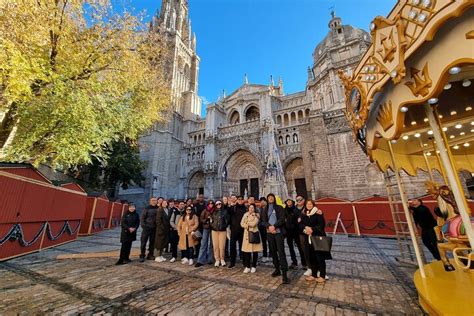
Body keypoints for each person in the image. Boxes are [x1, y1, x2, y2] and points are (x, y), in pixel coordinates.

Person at [299, 199, 331, 283]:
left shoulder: (318, 213)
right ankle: (313, 274)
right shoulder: (304, 214)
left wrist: (312, 229)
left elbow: (321, 225)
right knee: (312, 257)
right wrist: (305, 228)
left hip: (318, 238)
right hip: (309, 239)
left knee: (320, 258)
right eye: (307, 204)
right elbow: (300, 224)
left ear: (313, 204)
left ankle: (322, 276)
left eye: (310, 204)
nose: (309, 205)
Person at [261, 193, 289, 284]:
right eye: (268, 198)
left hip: (278, 232)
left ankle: (284, 274)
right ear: (267, 199)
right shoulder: (265, 209)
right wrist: (269, 227)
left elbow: (282, 219)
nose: (270, 199)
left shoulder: (279, 208)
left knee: (281, 252)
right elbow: (263, 221)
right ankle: (277, 269)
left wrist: (274, 226)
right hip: (270, 233)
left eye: (271, 197)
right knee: (273, 251)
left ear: (274, 199)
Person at [285, 198, 306, 269]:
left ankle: (304, 263)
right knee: (291, 247)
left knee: (300, 247)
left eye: (290, 201)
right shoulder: (284, 210)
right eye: (287, 201)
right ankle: (294, 262)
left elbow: (299, 218)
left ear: (293, 202)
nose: (288, 202)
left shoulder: (296, 209)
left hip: (296, 230)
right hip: (288, 231)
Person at [240, 203, 262, 273]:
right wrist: (247, 225)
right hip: (246, 235)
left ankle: (254, 266)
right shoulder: (245, 214)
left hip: (254, 234)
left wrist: (247, 223)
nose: (251, 209)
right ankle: (247, 266)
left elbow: (254, 224)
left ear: (254, 209)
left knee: (255, 251)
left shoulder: (256, 215)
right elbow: (241, 223)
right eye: (250, 208)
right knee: (247, 251)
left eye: (252, 208)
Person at [228, 195, 247, 268]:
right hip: (234, 230)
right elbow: (228, 211)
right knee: (232, 246)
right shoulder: (233, 207)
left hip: (242, 230)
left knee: (243, 246)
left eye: (241, 199)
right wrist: (229, 204)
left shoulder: (245, 208)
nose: (240, 200)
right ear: (237, 200)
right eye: (239, 199)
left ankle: (244, 261)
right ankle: (232, 262)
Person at [296, 195, 311, 276]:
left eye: (300, 200)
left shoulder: (310, 209)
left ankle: (317, 268)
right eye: (297, 200)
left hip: (311, 232)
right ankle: (307, 266)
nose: (299, 201)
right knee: (303, 249)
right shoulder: (296, 209)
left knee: (312, 249)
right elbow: (298, 222)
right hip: (300, 232)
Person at [196, 200, 214, 267]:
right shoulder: (205, 210)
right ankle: (200, 260)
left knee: (211, 244)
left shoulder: (214, 210)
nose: (211, 204)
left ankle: (210, 259)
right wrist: (206, 220)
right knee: (203, 244)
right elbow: (201, 219)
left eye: (212, 203)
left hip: (213, 228)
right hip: (206, 228)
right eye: (209, 203)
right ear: (207, 204)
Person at [210, 200, 229, 267]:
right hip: (214, 231)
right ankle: (217, 259)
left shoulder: (224, 211)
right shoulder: (213, 212)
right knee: (215, 246)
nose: (218, 205)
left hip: (222, 231)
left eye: (220, 204)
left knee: (222, 246)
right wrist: (213, 226)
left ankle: (222, 259)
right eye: (217, 204)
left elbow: (227, 220)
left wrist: (224, 226)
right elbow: (211, 220)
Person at [139, 197, 159, 262]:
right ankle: (142, 255)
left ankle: (150, 254)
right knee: (143, 242)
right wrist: (144, 226)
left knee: (152, 243)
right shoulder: (146, 208)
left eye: (155, 200)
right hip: (147, 228)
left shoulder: (158, 208)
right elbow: (142, 218)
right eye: (152, 200)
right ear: (150, 201)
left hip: (154, 228)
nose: (154, 201)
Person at [258, 197, 270, 262]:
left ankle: (272, 254)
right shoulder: (259, 209)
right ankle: (265, 255)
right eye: (261, 201)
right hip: (262, 228)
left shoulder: (269, 208)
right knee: (264, 242)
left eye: (263, 201)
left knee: (271, 241)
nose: (262, 202)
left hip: (268, 227)